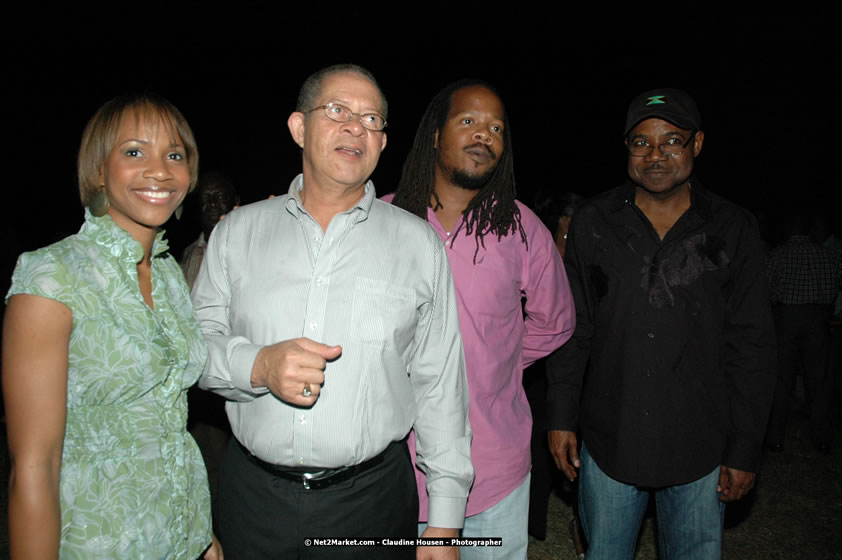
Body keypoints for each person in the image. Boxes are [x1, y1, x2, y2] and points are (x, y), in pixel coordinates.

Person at [191, 64, 473, 560]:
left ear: (383, 143)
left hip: (371, 501)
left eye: (371, 119)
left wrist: (446, 521)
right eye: (338, 111)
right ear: (300, 127)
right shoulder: (237, 233)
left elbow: (440, 385)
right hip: (253, 498)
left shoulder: (418, 245)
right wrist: (257, 365)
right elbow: (193, 347)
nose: (355, 128)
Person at [547, 88, 776, 559]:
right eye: (641, 142)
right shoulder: (594, 220)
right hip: (611, 437)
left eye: (671, 141)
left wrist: (744, 448)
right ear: (626, 147)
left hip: (700, 445)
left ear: (697, 144)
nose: (655, 155)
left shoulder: (733, 227)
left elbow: (751, 344)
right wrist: (561, 416)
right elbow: (575, 327)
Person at [2, 93, 221, 559]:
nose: (160, 170)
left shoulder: (166, 275)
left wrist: (201, 532)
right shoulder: (52, 276)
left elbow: (169, 421)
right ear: (99, 170)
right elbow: (34, 467)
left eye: (175, 155)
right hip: (101, 543)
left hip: (185, 539)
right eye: (135, 152)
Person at [389, 79, 575, 559]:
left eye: (496, 127)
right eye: (468, 121)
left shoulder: (521, 227)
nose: (484, 135)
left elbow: (555, 320)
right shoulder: (383, 220)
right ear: (435, 134)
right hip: (396, 468)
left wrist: (496, 362)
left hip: (493, 466)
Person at [526, 189, 585, 555]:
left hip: (574, 377)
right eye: (567, 234)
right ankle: (530, 521)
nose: (573, 242)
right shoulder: (533, 259)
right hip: (534, 375)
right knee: (534, 448)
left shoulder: (587, 271)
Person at [765, 207, 842, 453]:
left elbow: (767, 289)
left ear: (788, 229)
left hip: (786, 317)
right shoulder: (829, 255)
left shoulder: (778, 254)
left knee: (781, 379)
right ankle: (821, 438)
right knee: (818, 380)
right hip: (819, 318)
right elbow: (835, 288)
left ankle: (775, 438)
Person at [181, 171, 240, 290]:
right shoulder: (187, 254)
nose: (212, 203)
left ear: (236, 201)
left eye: (220, 197)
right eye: (205, 198)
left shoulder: (252, 246)